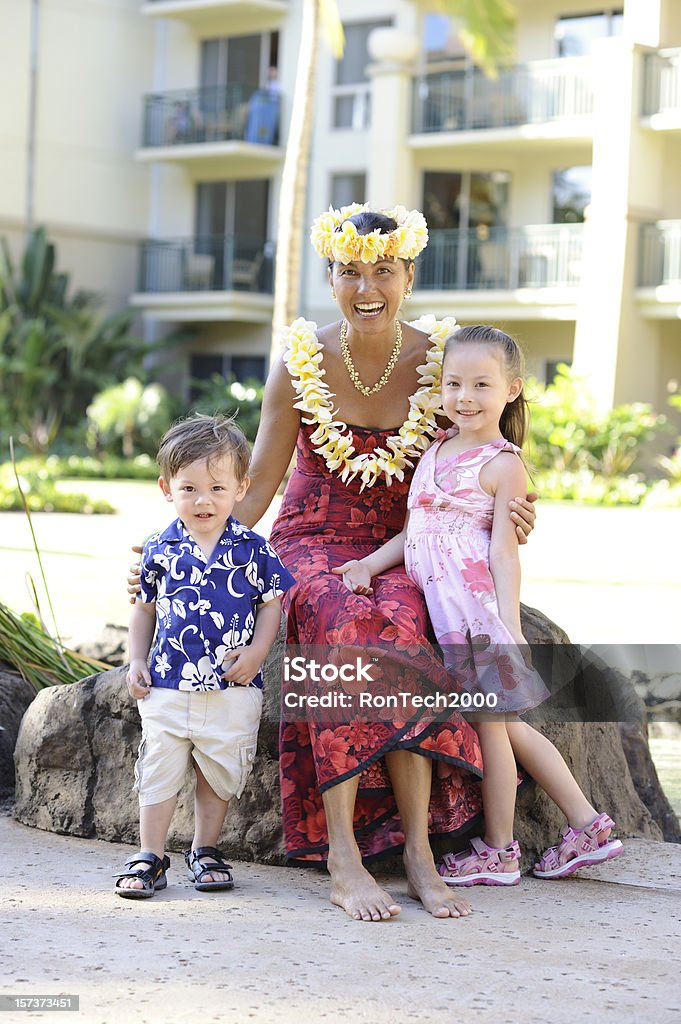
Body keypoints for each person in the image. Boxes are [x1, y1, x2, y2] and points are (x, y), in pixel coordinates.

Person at [128, 203, 537, 921]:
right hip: (311, 541)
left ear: (408, 276)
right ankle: (344, 856)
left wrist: (511, 515)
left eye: (383, 270)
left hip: (403, 546)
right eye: (349, 272)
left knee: (407, 628)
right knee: (346, 623)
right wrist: (181, 554)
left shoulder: (441, 366)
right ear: (330, 277)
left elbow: (477, 457)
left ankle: (416, 851)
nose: (366, 286)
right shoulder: (301, 362)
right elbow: (253, 487)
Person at [334, 325, 624, 887]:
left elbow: (505, 554)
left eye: (482, 385)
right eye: (454, 383)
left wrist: (509, 626)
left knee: (494, 733)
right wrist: (371, 564)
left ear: (512, 389)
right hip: (447, 620)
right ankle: (588, 824)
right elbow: (417, 532)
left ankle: (499, 850)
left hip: (477, 621)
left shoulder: (502, 463)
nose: (465, 396)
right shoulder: (436, 451)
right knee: (508, 729)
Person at [115, 414, 295, 899]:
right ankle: (150, 854)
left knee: (219, 769)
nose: (203, 500)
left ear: (242, 487)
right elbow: (144, 608)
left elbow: (272, 605)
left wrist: (259, 653)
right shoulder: (159, 547)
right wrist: (136, 659)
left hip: (232, 686)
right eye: (189, 487)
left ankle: (206, 849)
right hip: (168, 684)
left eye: (217, 488)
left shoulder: (254, 549)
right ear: (166, 488)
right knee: (159, 768)